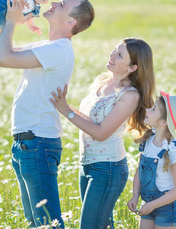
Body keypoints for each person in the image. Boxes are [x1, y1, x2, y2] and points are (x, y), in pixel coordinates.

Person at [0, 0, 95, 228]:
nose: (53, 3)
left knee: (48, 222)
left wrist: (11, 22)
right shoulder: (47, 47)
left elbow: (2, 58)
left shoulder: (58, 50)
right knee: (35, 221)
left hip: (37, 143)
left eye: (61, 5)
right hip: (26, 143)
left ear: (71, 22)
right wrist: (1, 21)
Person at [50, 38, 156, 229]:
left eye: (120, 55)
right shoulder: (101, 81)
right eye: (115, 50)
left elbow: (101, 133)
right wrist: (64, 106)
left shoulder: (130, 95)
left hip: (108, 169)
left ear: (133, 67)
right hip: (87, 164)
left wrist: (65, 109)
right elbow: (88, 118)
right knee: (101, 225)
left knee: (90, 226)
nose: (112, 55)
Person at [127, 91, 176, 229]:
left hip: (167, 207)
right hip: (147, 204)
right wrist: (135, 196)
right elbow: (140, 171)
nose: (147, 110)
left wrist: (152, 205)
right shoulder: (147, 141)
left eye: (154, 109)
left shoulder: (173, 150)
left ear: (164, 122)